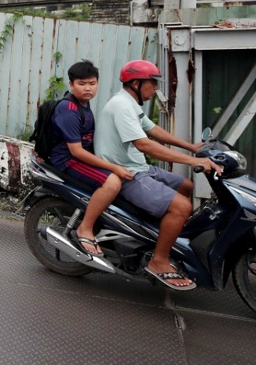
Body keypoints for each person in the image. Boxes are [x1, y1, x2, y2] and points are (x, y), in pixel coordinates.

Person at [95, 59, 222, 290]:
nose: (155, 89)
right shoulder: (122, 106)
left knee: (186, 185)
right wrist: (194, 160)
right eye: (152, 83)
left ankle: (162, 234)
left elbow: (153, 130)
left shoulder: (131, 104)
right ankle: (159, 260)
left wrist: (190, 146)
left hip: (139, 166)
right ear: (136, 83)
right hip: (126, 174)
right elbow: (145, 145)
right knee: (182, 207)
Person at [46, 60, 134, 257]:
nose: (87, 88)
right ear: (71, 85)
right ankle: (85, 228)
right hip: (67, 159)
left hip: (81, 157)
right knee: (112, 183)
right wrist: (113, 167)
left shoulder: (84, 105)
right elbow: (76, 151)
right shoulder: (69, 109)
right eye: (81, 83)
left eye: (92, 83)